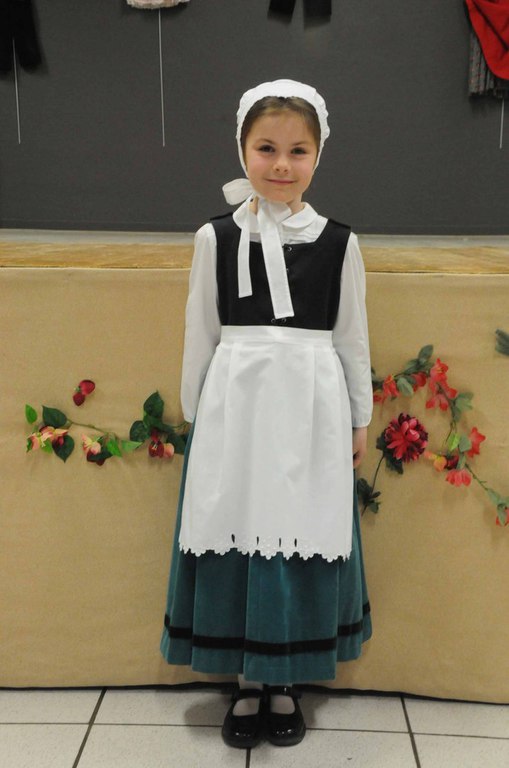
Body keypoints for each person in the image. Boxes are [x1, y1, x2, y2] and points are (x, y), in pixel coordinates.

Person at [160, 79, 373, 749]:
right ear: (242, 149)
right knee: (240, 528)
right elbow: (200, 332)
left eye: (298, 151)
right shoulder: (215, 236)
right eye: (266, 148)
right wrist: (196, 415)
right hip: (237, 413)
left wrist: (358, 418)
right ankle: (247, 683)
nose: (281, 164)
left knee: (298, 531)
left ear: (318, 155)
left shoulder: (338, 242)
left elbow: (351, 337)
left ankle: (286, 682)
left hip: (310, 414)